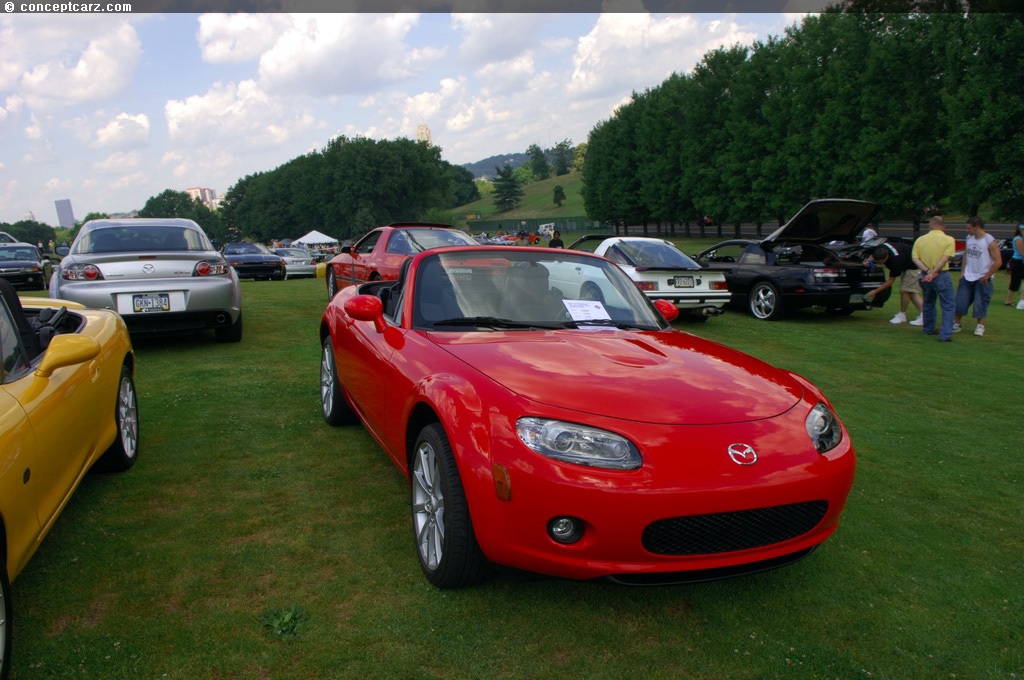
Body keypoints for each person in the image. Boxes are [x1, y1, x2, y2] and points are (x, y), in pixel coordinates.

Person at [953, 216, 1002, 336]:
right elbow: (966, 255)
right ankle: (956, 324)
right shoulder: (969, 238)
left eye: (969, 228)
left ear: (977, 227)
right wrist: (963, 272)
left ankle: (980, 325)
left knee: (981, 302)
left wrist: (987, 276)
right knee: (961, 301)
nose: (967, 230)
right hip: (968, 276)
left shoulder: (989, 240)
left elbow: (998, 261)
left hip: (982, 277)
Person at [911, 215, 957, 342]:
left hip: (924, 275)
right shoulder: (949, 239)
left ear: (930, 226)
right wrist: (935, 272)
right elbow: (945, 258)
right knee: (948, 304)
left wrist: (927, 271)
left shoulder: (920, 240)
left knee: (928, 302)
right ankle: (946, 334)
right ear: (943, 227)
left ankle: (928, 328)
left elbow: (915, 258)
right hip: (941, 274)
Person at [865, 241, 923, 325]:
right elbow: (872, 256)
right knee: (909, 291)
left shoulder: (895, 262)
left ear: (887, 256)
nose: (879, 263)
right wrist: (867, 261)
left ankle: (902, 315)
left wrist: (875, 292)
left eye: (881, 262)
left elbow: (890, 281)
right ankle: (923, 314)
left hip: (913, 266)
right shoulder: (880, 248)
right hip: (906, 258)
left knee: (906, 290)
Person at [1005, 224, 1024, 309]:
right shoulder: (1018, 239)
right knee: (1015, 281)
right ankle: (1008, 300)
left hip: (1021, 262)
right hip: (1018, 262)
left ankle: (1021, 300)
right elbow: (1022, 252)